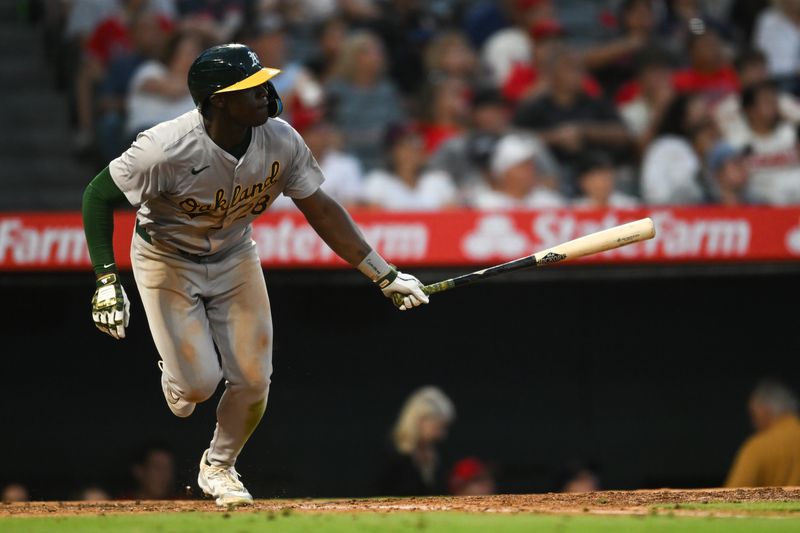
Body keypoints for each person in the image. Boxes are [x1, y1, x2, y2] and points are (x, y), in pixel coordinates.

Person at [81, 43, 429, 507]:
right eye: (251, 87)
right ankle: (182, 376)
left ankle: (219, 467)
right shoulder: (165, 148)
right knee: (198, 387)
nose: (266, 92)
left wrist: (384, 274)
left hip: (234, 255)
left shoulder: (281, 139)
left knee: (253, 378)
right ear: (219, 99)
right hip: (167, 258)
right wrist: (107, 279)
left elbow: (321, 209)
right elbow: (97, 196)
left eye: (264, 83)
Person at [513, 45, 632, 187]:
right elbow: (513, 137)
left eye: (580, 69)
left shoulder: (596, 103)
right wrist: (554, 137)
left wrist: (584, 132)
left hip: (595, 173)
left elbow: (623, 134)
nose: (577, 74)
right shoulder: (536, 106)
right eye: (569, 68)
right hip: (550, 176)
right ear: (552, 74)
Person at [326, 31, 405, 171]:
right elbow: (328, 126)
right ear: (354, 56)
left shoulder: (388, 91)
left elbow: (398, 127)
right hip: (345, 160)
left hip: (382, 162)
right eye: (371, 52)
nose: (379, 56)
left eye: (380, 52)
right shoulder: (336, 90)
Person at [376, 386, 455, 496]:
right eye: (438, 427)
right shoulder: (391, 454)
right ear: (420, 420)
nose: (442, 435)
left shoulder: (434, 455)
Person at [123, 31, 202, 142]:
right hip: (145, 136)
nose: (194, 57)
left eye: (196, 53)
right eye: (188, 52)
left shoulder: (199, 88)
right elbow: (170, 90)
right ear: (173, 53)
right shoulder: (152, 69)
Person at [733, 80, 800, 204]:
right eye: (766, 102)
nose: (773, 105)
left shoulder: (792, 133)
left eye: (774, 101)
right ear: (750, 110)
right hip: (760, 207)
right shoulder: (735, 141)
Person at [363, 123, 457, 210]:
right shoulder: (378, 181)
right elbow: (372, 217)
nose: (411, 150)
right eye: (403, 145)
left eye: (416, 144)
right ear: (391, 152)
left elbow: (453, 218)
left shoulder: (439, 180)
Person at [725, 379, 800, 487]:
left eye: (753, 414)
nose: (753, 423)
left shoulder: (757, 447)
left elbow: (731, 498)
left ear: (765, 410)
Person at [469, 133, 565, 209]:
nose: (531, 170)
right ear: (504, 173)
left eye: (532, 165)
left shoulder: (551, 202)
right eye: (522, 166)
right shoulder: (484, 205)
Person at [573, 152, 638, 209]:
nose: (604, 182)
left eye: (608, 175)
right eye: (598, 176)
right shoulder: (574, 210)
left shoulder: (631, 206)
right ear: (583, 181)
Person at [704, 141, 752, 205]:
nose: (743, 167)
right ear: (719, 174)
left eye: (744, 162)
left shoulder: (761, 207)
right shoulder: (701, 209)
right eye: (736, 163)